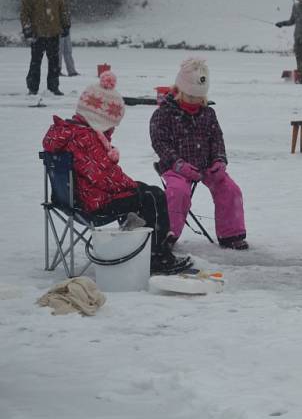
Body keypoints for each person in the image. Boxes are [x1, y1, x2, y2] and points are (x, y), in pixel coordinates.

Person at [42, 72, 191, 274]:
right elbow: (105, 177)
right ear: (100, 118)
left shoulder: (65, 132)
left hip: (70, 199)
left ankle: (143, 249)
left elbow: (100, 175)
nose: (111, 131)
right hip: (93, 204)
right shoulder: (85, 139)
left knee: (144, 191)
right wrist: (132, 187)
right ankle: (157, 256)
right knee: (152, 195)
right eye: (111, 125)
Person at [150, 58, 249, 250]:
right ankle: (168, 234)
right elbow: (159, 143)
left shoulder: (208, 113)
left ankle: (232, 234)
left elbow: (217, 139)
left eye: (200, 98)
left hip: (206, 166)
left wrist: (219, 160)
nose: (196, 102)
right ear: (179, 92)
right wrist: (177, 163)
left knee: (231, 190)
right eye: (192, 97)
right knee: (178, 192)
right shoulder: (163, 114)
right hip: (175, 168)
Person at [20, 0, 70, 96]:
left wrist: (66, 25)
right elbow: (24, 14)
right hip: (37, 35)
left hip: (53, 34)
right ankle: (33, 88)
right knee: (35, 63)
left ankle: (53, 87)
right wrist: (27, 29)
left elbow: (63, 11)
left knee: (54, 63)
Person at [58, 0, 78, 77]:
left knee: (68, 51)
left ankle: (72, 71)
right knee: (59, 51)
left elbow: (67, 17)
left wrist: (67, 26)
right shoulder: (57, 2)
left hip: (66, 30)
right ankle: (57, 70)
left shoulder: (67, 2)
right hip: (59, 31)